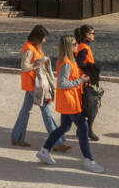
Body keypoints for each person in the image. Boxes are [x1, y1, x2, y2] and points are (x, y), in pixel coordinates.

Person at [37, 34, 104, 173]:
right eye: (74, 44)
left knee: (64, 127)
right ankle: (89, 160)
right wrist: (80, 81)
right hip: (70, 101)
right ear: (68, 46)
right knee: (83, 127)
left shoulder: (69, 61)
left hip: (69, 100)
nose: (77, 45)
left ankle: (44, 150)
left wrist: (82, 78)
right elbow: (62, 83)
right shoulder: (67, 63)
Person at [9, 25, 67, 150]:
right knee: (46, 113)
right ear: (38, 37)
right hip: (34, 85)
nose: (45, 40)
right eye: (44, 38)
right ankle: (57, 143)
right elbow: (24, 67)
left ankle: (16, 137)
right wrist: (37, 64)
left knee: (25, 111)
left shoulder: (32, 47)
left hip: (32, 84)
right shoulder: (30, 49)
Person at [73, 25, 103, 140]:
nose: (93, 35)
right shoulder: (83, 47)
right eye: (92, 33)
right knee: (91, 107)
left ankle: (81, 129)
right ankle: (88, 130)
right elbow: (79, 62)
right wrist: (91, 69)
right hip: (85, 81)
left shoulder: (82, 46)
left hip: (85, 79)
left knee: (87, 107)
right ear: (86, 35)